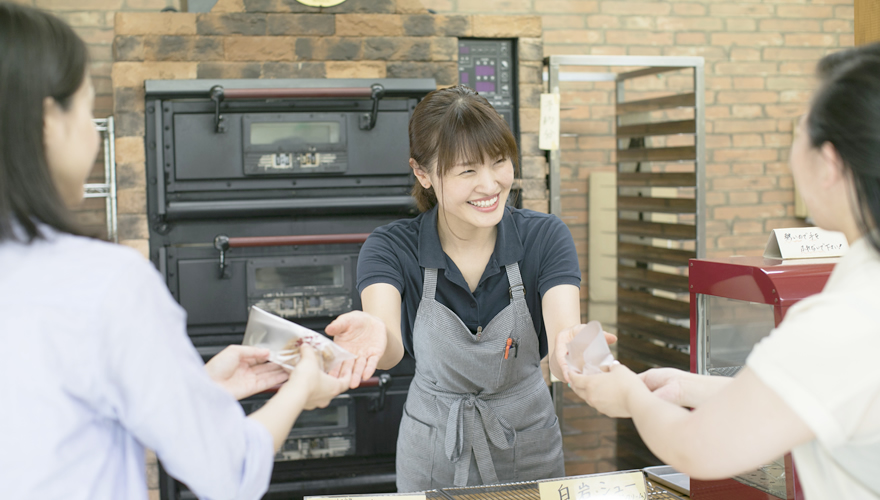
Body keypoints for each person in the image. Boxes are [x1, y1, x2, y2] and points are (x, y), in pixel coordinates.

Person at [0, 3, 349, 499]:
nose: (94, 138)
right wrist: (301, 387)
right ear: (46, 122)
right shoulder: (106, 282)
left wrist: (196, 392)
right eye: (86, 106)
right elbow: (230, 474)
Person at [566, 47, 880, 500]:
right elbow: (805, 393)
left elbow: (698, 448)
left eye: (798, 130)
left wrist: (630, 397)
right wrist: (687, 386)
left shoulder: (845, 320)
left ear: (829, 164)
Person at [322, 84, 597, 491]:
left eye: (499, 162)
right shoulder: (391, 247)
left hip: (529, 441)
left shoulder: (545, 237)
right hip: (433, 447)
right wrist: (376, 338)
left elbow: (561, 352)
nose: (490, 185)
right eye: (467, 170)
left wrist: (574, 350)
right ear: (423, 173)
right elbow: (389, 345)